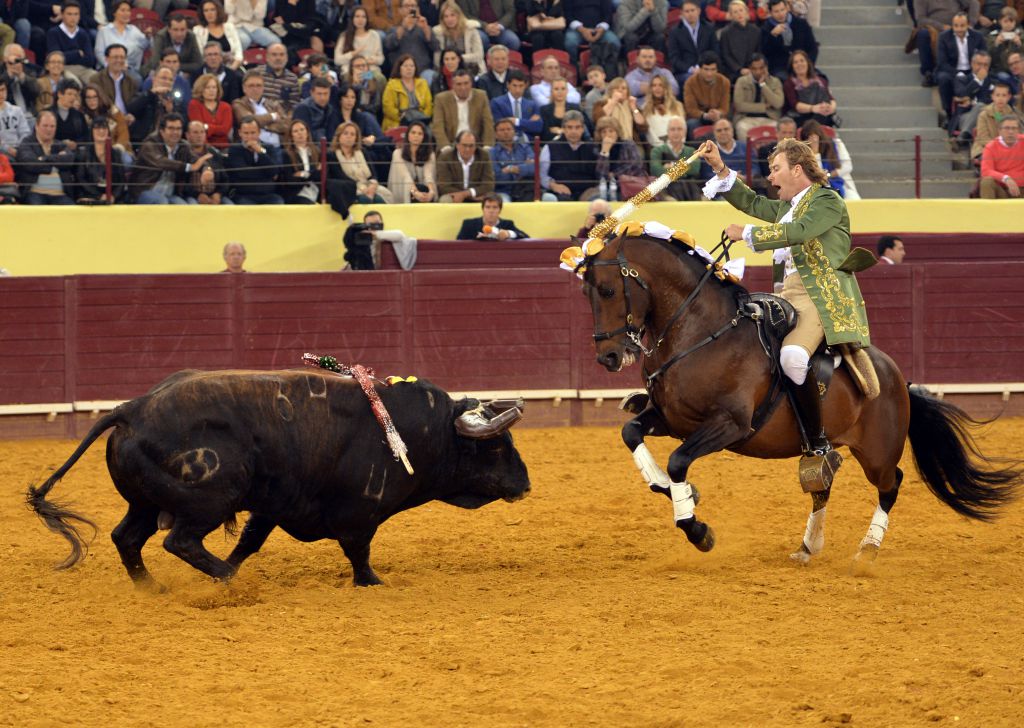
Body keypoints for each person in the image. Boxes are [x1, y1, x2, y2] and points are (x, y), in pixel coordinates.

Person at [699, 135, 872, 484]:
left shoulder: (827, 201)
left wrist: (746, 233)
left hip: (819, 296)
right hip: (785, 295)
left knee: (793, 356)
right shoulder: (790, 205)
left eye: (775, 169)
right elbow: (753, 202)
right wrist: (719, 167)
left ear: (797, 169)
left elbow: (799, 231)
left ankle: (817, 442)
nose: (770, 177)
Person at [132, 112, 208, 203]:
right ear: (162, 131)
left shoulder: (183, 146)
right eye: (171, 128)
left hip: (171, 194)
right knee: (162, 202)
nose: (175, 132)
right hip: (145, 191)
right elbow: (160, 162)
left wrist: (206, 170)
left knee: (184, 207)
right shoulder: (150, 144)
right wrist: (189, 167)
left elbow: (197, 160)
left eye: (178, 129)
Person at [14, 108, 75, 204]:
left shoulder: (60, 144)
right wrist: (54, 166)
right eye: (45, 126)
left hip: (60, 194)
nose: (49, 129)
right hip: (35, 193)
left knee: (73, 212)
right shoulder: (27, 143)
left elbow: (69, 159)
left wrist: (45, 158)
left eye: (52, 126)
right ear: (37, 126)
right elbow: (30, 164)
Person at [916, 2, 982, 89]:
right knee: (922, 34)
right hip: (935, 28)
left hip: (958, 25)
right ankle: (929, 73)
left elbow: (974, 3)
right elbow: (921, 19)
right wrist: (942, 26)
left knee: (976, 34)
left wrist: (971, 24)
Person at [538, 109, 599, 200]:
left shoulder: (592, 148)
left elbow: (599, 175)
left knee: (597, 200)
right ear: (563, 129)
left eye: (577, 127)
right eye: (569, 127)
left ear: (583, 129)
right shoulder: (550, 147)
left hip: (588, 192)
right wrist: (553, 185)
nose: (573, 131)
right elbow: (542, 175)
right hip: (560, 193)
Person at [327, 120, 393, 203]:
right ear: (338, 136)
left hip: (368, 187)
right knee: (366, 200)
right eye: (345, 133)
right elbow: (340, 176)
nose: (349, 136)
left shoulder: (363, 152)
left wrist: (372, 186)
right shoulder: (332, 155)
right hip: (349, 190)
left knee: (380, 199)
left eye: (352, 134)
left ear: (356, 138)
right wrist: (363, 189)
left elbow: (373, 174)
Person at [935, 12, 986, 115]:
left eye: (962, 26)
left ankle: (978, 110)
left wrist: (977, 70)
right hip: (951, 70)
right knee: (943, 78)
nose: (959, 29)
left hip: (972, 69)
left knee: (986, 77)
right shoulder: (943, 37)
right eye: (956, 26)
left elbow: (984, 54)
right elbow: (942, 62)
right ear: (952, 25)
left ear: (968, 25)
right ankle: (948, 113)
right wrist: (957, 73)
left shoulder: (978, 36)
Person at [432, 67, 495, 150]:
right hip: (451, 146)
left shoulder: (481, 96)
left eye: (466, 83)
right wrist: (445, 147)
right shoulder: (441, 99)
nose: (463, 88)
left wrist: (487, 146)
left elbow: (488, 123)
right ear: (452, 85)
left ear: (471, 83)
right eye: (459, 84)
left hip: (476, 146)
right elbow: (438, 126)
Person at [228, 115, 283, 203]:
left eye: (253, 133)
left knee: (279, 203)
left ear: (259, 132)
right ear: (240, 133)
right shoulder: (235, 149)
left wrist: (260, 152)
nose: (250, 137)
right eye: (246, 133)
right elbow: (242, 173)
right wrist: (266, 174)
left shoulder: (269, 148)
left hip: (268, 194)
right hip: (244, 195)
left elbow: (274, 171)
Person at [73, 116, 128, 203]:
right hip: (89, 197)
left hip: (112, 199)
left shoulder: (116, 154)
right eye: (97, 128)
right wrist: (99, 196)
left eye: (104, 128)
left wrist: (113, 196)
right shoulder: (83, 153)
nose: (101, 131)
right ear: (91, 131)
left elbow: (121, 181)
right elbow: (81, 180)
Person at [232, 70, 289, 153]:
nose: (255, 89)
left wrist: (263, 125)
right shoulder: (239, 104)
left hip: (278, 147)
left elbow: (286, 125)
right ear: (244, 88)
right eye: (251, 86)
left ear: (263, 87)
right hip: (251, 148)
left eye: (258, 85)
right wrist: (272, 117)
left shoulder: (273, 104)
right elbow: (249, 120)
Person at [668, 0, 719, 89]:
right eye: (687, 11)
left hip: (707, 68)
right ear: (682, 13)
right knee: (693, 79)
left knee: (720, 79)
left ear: (699, 11)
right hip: (684, 72)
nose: (690, 14)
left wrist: (704, 68)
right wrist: (691, 69)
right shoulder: (674, 32)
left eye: (692, 10)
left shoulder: (709, 28)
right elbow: (674, 58)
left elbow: (715, 51)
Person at [384, 0, 439, 83]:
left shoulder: (425, 28)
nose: (410, 8)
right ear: (400, 10)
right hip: (400, 73)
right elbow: (389, 45)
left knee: (431, 76)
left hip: (423, 71)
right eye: (407, 6)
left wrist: (426, 29)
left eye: (413, 6)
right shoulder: (393, 29)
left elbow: (436, 47)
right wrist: (403, 27)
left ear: (418, 9)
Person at [761, 0, 818, 79]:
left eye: (782, 10)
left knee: (821, 79)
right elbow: (765, 52)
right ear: (770, 13)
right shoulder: (766, 29)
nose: (780, 14)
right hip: (780, 67)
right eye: (776, 11)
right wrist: (773, 36)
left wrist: (808, 64)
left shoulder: (801, 23)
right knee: (784, 79)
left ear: (787, 8)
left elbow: (812, 47)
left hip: (802, 63)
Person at [733, 53, 784, 140]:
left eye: (761, 68)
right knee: (741, 128)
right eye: (754, 69)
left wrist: (763, 85)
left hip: (770, 119)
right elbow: (739, 105)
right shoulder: (742, 81)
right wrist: (764, 106)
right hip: (746, 119)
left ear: (766, 67)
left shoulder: (775, 82)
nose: (758, 72)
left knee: (777, 130)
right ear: (749, 69)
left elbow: (778, 103)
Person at [649, 115, 701, 200]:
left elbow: (695, 169)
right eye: (673, 129)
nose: (676, 132)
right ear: (668, 132)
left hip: (689, 190)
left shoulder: (691, 151)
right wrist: (684, 167)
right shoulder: (657, 151)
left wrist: (671, 166)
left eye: (679, 129)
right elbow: (656, 170)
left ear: (685, 132)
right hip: (666, 189)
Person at [436, 128, 494, 201]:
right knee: (445, 200)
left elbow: (488, 185)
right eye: (464, 145)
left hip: (478, 194)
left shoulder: (484, 155)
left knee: (492, 200)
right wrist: (466, 195)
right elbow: (444, 186)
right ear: (457, 145)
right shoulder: (445, 157)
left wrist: (466, 194)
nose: (467, 149)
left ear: (476, 146)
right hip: (454, 194)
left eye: (471, 146)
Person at [563, 0, 620, 74]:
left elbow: (608, 14)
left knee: (615, 42)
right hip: (577, 29)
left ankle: (609, 71)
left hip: (600, 29)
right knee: (570, 43)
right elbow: (568, 15)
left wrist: (601, 29)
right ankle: (574, 71)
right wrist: (582, 30)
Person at [594, 115, 644, 198]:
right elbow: (601, 176)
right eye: (604, 132)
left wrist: (613, 175)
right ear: (599, 134)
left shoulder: (628, 145)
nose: (608, 135)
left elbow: (635, 167)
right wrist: (604, 152)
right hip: (606, 189)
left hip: (630, 187)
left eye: (611, 131)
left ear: (617, 132)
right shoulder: (596, 149)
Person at [783, 49, 836, 128]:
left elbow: (831, 99)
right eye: (796, 62)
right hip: (800, 117)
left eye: (802, 61)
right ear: (792, 66)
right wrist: (813, 108)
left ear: (807, 63)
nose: (799, 64)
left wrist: (831, 107)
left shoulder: (820, 80)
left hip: (821, 114)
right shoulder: (789, 83)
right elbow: (795, 105)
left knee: (824, 116)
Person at [45, 1, 95, 85]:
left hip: (84, 69)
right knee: (74, 83)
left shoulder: (83, 33)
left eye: (76, 14)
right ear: (62, 15)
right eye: (69, 14)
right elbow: (57, 58)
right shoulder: (53, 32)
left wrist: (68, 56)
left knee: (97, 80)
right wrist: (78, 53)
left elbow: (90, 60)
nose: (73, 17)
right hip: (64, 68)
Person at [387, 119, 437, 202]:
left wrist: (431, 192)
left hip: (422, 189)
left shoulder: (430, 154)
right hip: (403, 190)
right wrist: (415, 192)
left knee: (425, 190)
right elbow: (405, 177)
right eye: (413, 133)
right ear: (408, 135)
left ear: (424, 137)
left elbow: (428, 176)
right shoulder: (398, 153)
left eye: (420, 133)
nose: (416, 136)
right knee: (416, 191)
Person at [683, 51, 730, 138]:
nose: (709, 73)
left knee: (726, 124)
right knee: (691, 124)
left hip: (717, 116)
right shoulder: (690, 82)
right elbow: (691, 109)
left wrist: (718, 113)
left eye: (713, 69)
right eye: (706, 69)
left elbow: (725, 108)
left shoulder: (724, 82)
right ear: (700, 69)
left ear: (717, 70)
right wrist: (705, 115)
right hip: (698, 117)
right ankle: (698, 150)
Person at [94, 0, 150, 74]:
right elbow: (99, 53)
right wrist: (110, 66)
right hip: (108, 69)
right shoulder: (104, 31)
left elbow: (145, 46)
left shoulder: (134, 30)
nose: (126, 13)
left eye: (128, 11)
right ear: (114, 13)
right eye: (122, 10)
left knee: (136, 80)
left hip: (129, 69)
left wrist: (147, 36)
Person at [381, 53, 433, 131]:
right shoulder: (392, 85)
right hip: (399, 121)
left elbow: (429, 105)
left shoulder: (423, 83)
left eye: (412, 66)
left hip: (420, 120)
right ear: (399, 68)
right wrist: (402, 117)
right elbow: (388, 108)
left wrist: (422, 118)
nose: (409, 69)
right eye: (405, 66)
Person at [971, 82, 1023, 159]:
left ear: (1009, 97)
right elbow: (983, 138)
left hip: (1010, 148)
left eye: (1004, 95)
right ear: (992, 97)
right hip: (986, 148)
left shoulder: (1014, 114)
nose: (1000, 98)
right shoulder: (984, 114)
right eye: (997, 95)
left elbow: (1019, 135)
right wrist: (1000, 147)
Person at [185, 119, 232, 203]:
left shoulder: (214, 153)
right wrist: (198, 195)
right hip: (191, 196)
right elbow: (180, 182)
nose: (199, 135)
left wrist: (218, 194)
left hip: (214, 195)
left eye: (202, 132)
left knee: (230, 207)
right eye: (195, 132)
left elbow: (225, 179)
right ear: (187, 135)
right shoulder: (183, 153)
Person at [489, 116, 535, 201]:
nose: (506, 132)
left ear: (514, 132)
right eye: (502, 130)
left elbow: (534, 168)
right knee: (504, 202)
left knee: (549, 198)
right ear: (495, 134)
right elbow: (496, 178)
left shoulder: (525, 147)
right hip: (504, 191)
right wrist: (524, 167)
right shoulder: (491, 153)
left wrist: (510, 169)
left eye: (509, 129)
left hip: (525, 189)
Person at [144, 14, 203, 79]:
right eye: (175, 30)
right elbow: (155, 63)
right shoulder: (161, 36)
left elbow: (198, 63)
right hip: (160, 73)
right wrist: (177, 70)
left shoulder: (191, 36)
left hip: (185, 74)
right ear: (169, 30)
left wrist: (178, 68)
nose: (179, 34)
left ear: (187, 29)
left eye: (182, 30)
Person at [433, 1, 484, 75]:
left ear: (459, 15)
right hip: (448, 70)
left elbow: (479, 55)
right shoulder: (439, 33)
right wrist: (451, 62)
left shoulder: (471, 29)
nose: (449, 19)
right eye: (446, 16)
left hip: (471, 69)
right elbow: (437, 60)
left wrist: (459, 58)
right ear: (442, 19)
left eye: (452, 15)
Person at [491, 68, 542, 140]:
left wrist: (516, 121)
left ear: (525, 86)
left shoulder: (532, 105)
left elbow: (538, 127)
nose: (518, 90)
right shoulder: (497, 103)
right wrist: (528, 123)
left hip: (528, 144)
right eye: (514, 86)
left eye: (521, 86)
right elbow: (500, 127)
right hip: (505, 143)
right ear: (508, 85)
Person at [979, 116, 1024, 197]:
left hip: (1022, 188)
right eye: (1007, 128)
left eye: (1014, 128)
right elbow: (986, 171)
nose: (1011, 132)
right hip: (1002, 190)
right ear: (999, 131)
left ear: (1019, 131)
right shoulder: (991, 147)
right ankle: (988, 209)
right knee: (987, 182)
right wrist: (1006, 178)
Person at [593, 76, 646, 143]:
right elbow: (599, 119)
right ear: (611, 91)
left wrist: (634, 108)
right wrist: (613, 101)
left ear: (627, 91)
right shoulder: (601, 103)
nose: (620, 90)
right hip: (609, 141)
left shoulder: (631, 105)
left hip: (631, 142)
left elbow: (642, 125)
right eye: (616, 88)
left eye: (623, 88)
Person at [718, 0, 761, 82]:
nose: (739, 14)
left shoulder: (756, 30)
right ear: (731, 15)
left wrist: (752, 68)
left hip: (753, 68)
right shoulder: (726, 32)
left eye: (741, 10)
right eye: (735, 12)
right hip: (733, 71)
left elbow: (758, 52)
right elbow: (725, 55)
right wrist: (739, 69)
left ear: (746, 11)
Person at [279, 117, 321, 203]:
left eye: (302, 129)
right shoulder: (286, 154)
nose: (300, 133)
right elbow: (290, 180)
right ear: (291, 136)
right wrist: (313, 173)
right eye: (296, 131)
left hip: (317, 191)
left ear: (307, 133)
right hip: (297, 194)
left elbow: (320, 175)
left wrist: (302, 174)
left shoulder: (317, 151)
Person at [193, 0, 244, 70]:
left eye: (212, 10)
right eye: (206, 10)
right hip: (208, 69)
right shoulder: (198, 30)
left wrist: (231, 70)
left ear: (218, 11)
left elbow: (239, 54)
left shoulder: (229, 27)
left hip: (231, 67)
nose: (209, 13)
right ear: (202, 13)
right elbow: (200, 56)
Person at [456, 192, 530, 239]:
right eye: (488, 207)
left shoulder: (507, 224)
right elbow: (458, 246)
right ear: (483, 209)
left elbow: (525, 237)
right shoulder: (469, 225)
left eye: (495, 207)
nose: (491, 211)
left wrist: (508, 234)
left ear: (500, 210)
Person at [188, 73, 233, 148]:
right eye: (207, 88)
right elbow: (198, 130)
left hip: (224, 147)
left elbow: (225, 130)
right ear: (201, 89)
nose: (211, 90)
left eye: (214, 87)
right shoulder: (194, 104)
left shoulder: (226, 107)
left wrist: (207, 127)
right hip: (203, 147)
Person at [334, 5, 384, 72]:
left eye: (363, 17)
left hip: (370, 70)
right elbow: (337, 60)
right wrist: (353, 53)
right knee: (353, 77)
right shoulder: (344, 36)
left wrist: (366, 61)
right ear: (352, 19)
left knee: (375, 78)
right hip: (350, 72)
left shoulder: (374, 35)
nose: (360, 19)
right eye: (357, 16)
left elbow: (381, 59)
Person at [640, 74, 684, 147]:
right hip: (655, 146)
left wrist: (678, 145)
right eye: (654, 85)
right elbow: (649, 132)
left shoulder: (677, 105)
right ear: (651, 88)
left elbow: (682, 127)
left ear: (666, 88)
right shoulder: (645, 107)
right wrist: (660, 147)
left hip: (677, 145)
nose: (657, 88)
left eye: (661, 85)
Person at [539, 76, 587, 142]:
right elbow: (544, 135)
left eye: (563, 89)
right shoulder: (543, 110)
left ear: (567, 91)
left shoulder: (576, 108)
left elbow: (584, 130)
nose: (560, 92)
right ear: (551, 91)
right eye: (556, 89)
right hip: (551, 145)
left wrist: (559, 131)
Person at [292, 76, 339, 142]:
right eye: (319, 94)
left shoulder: (330, 109)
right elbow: (305, 135)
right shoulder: (302, 109)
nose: (322, 98)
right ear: (312, 93)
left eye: (325, 94)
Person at [94, 44, 137, 117]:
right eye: (115, 57)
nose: (119, 60)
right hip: (106, 119)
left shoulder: (131, 81)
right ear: (107, 59)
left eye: (122, 57)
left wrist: (133, 116)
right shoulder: (97, 79)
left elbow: (134, 104)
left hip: (127, 120)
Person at [258, 43, 299, 111]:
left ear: (287, 58)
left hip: (283, 117)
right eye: (274, 55)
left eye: (282, 55)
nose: (278, 58)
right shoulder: (256, 74)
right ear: (267, 57)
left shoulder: (292, 78)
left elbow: (294, 104)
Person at [51, 77, 87, 144]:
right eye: (69, 94)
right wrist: (60, 144)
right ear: (59, 94)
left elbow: (85, 138)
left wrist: (76, 144)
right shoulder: (47, 113)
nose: (73, 98)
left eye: (75, 95)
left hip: (75, 153)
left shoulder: (79, 116)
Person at [0, 78, 30, 156]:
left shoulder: (17, 110)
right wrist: (9, 150)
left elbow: (25, 133)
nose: (1, 94)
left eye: (2, 90)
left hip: (19, 149)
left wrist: (20, 150)